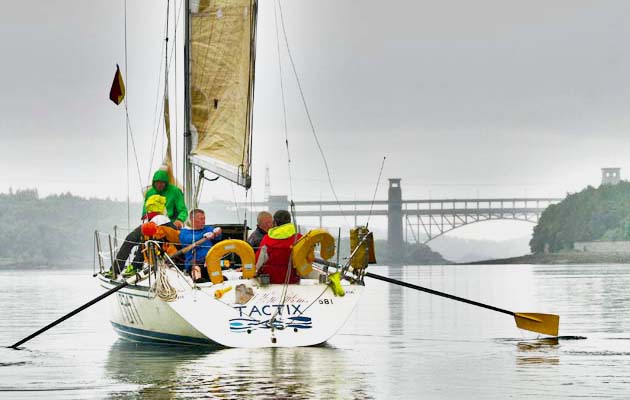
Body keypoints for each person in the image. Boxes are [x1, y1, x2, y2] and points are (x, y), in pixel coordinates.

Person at [112, 194, 171, 275]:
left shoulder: (154, 220)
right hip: (167, 253)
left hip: (156, 249)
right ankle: (135, 265)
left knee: (131, 240)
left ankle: (117, 269)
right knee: (145, 240)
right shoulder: (166, 220)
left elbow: (131, 238)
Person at [255, 210, 302, 284]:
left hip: (271, 281)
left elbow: (259, 262)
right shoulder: (299, 238)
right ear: (289, 222)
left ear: (275, 223)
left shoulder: (267, 239)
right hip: (292, 281)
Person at [179, 209, 222, 282]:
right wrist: (203, 236)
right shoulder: (184, 232)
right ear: (192, 220)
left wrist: (218, 231)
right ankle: (198, 281)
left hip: (209, 262)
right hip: (194, 263)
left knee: (219, 276)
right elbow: (189, 240)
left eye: (204, 218)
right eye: (201, 219)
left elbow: (218, 237)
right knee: (196, 269)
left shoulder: (207, 228)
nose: (203, 221)